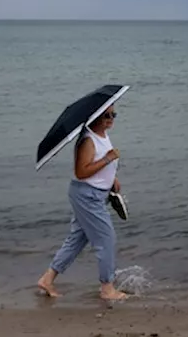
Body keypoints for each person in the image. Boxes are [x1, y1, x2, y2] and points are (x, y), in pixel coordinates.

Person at [36, 107, 127, 301]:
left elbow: (100, 165)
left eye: (113, 115)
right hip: (87, 196)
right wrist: (108, 159)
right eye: (106, 115)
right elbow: (82, 172)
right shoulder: (88, 140)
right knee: (106, 239)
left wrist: (112, 178)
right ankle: (107, 288)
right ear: (94, 116)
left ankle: (47, 279)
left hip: (96, 194)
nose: (111, 119)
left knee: (77, 239)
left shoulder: (102, 135)